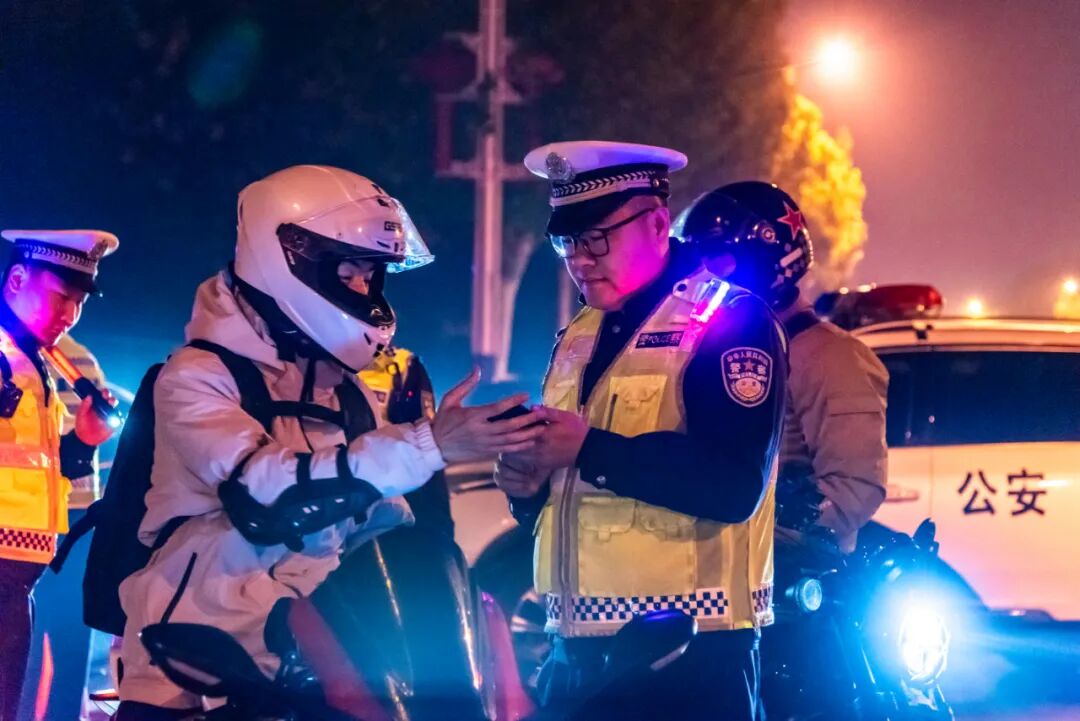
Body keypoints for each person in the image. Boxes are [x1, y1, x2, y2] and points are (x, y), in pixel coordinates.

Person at [115, 165, 544, 718]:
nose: (364, 291)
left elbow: (382, 530)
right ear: (288, 258)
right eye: (349, 273)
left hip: (312, 660)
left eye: (370, 277)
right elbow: (264, 495)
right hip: (197, 665)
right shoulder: (197, 376)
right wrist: (427, 445)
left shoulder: (344, 389)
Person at [494, 142, 788, 720]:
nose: (580, 259)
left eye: (596, 238)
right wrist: (526, 487)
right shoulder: (578, 333)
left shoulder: (730, 321)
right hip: (577, 651)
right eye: (567, 242)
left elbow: (734, 485)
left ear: (656, 223)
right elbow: (574, 503)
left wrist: (588, 448)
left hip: (689, 657)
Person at [673, 181, 888, 554]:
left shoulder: (830, 356)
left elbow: (853, 489)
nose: (703, 279)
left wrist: (765, 524)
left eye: (716, 262)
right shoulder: (712, 349)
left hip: (793, 574)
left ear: (765, 259)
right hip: (720, 564)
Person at [0, 229, 119, 721]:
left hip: (20, 576)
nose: (69, 313)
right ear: (16, 281)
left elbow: (34, 467)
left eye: (79, 302)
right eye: (60, 296)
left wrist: (84, 441)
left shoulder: (37, 363)